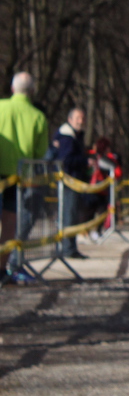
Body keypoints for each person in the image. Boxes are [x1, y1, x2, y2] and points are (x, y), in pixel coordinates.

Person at [0, 72, 48, 280]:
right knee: (10, 222)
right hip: (20, 176)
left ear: (12, 89)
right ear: (32, 91)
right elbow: (40, 153)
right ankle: (1, 269)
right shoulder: (38, 117)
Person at [50, 107, 89, 259]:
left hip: (74, 181)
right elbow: (65, 160)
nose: (81, 121)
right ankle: (68, 249)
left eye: (83, 118)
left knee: (72, 214)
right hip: (68, 182)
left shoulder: (75, 136)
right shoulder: (67, 137)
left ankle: (70, 247)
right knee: (69, 215)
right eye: (78, 118)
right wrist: (85, 161)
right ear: (70, 120)